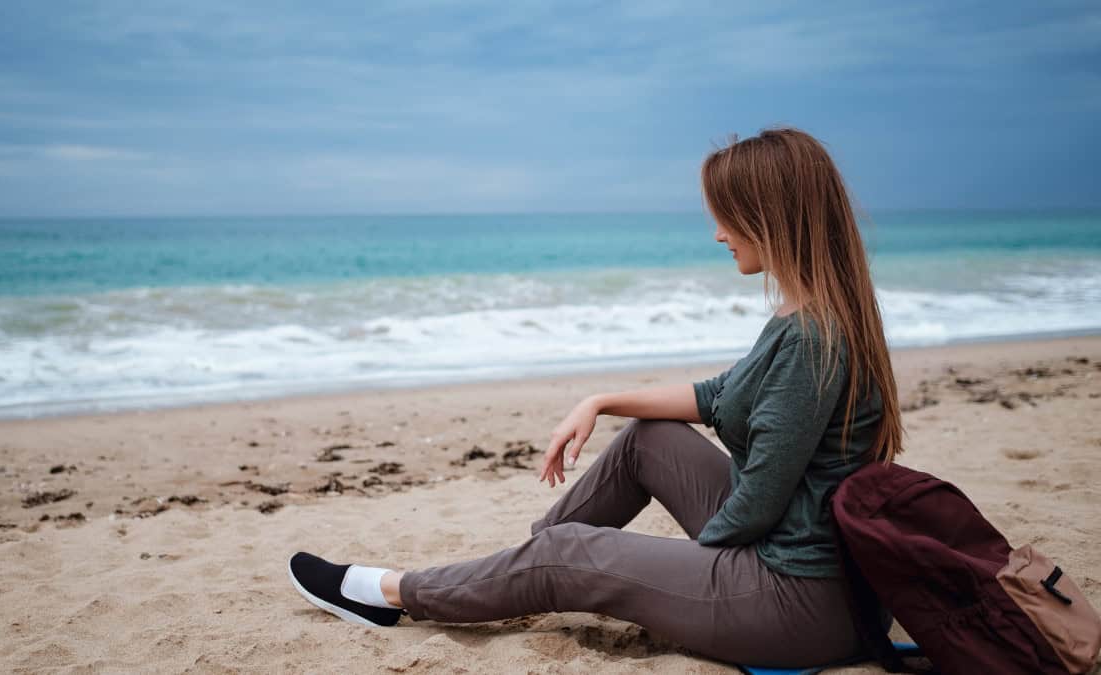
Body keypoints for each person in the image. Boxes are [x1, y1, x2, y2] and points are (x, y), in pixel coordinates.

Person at [287, 126, 905, 669]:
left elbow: (754, 509)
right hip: (814, 581)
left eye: (726, 216)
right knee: (646, 439)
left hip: (799, 604)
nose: (717, 235)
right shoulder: (815, 315)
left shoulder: (810, 341)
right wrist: (602, 400)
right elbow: (720, 397)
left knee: (573, 554)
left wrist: (632, 570)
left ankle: (389, 594)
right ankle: (518, 572)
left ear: (770, 217)